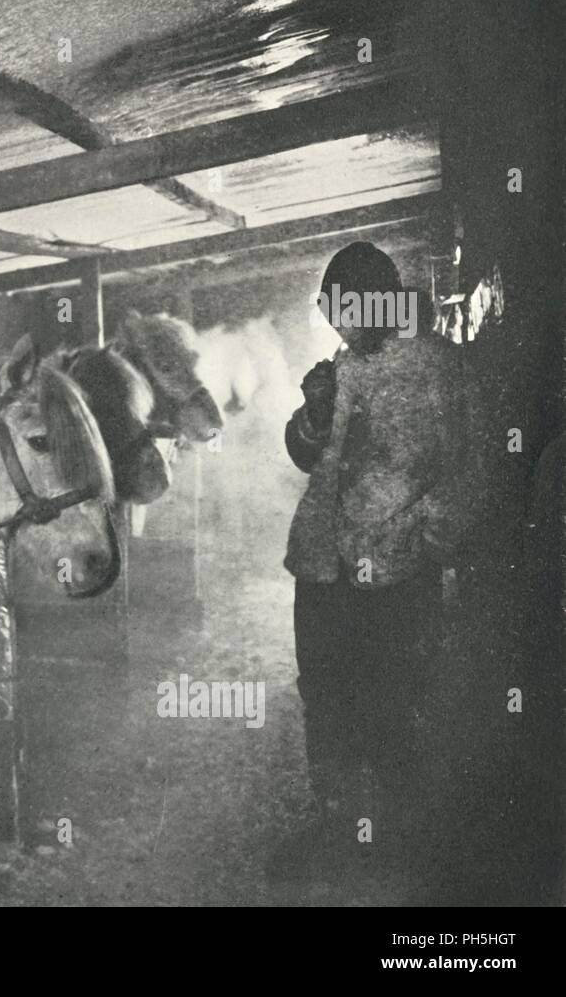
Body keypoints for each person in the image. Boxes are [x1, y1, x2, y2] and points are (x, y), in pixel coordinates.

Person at [270, 242, 476, 884]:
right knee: (325, 700)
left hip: (392, 580)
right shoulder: (341, 365)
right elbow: (308, 456)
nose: (340, 326)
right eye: (333, 314)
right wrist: (311, 415)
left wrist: (423, 542)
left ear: (385, 299)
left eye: (348, 312)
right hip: (323, 571)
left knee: (391, 707)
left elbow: (470, 477)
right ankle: (337, 828)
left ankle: (399, 844)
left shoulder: (441, 370)